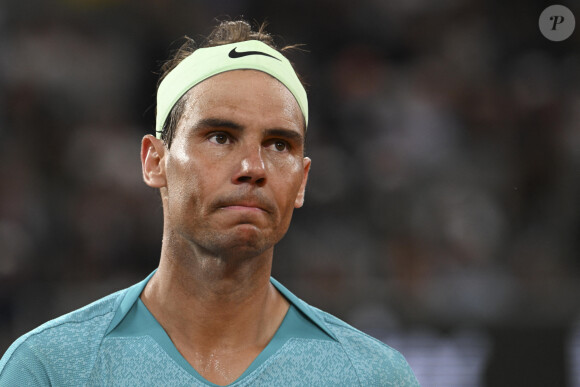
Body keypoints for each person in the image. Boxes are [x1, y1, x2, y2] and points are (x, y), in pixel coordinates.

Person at [0, 20, 419, 386]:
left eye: (278, 144)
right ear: (155, 161)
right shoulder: (50, 369)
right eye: (220, 136)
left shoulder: (373, 377)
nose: (253, 167)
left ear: (302, 181)